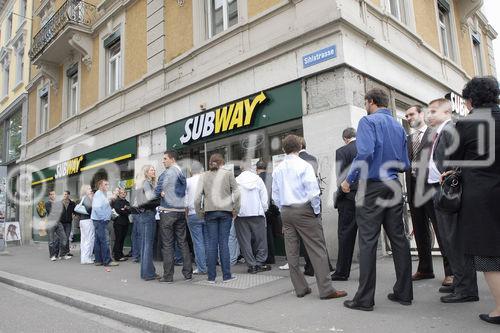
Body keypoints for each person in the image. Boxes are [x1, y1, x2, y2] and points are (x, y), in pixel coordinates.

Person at [341, 88, 412, 311]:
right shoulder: (399, 127)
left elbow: (365, 153)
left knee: (368, 240)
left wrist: (348, 179)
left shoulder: (368, 122)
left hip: (372, 187)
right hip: (393, 184)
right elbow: (405, 164)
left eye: (365, 102)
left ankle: (364, 299)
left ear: (371, 102)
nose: (365, 106)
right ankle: (404, 292)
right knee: (399, 240)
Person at [449, 76, 500, 324]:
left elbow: (453, 159)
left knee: (489, 255)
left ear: (469, 101)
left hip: (481, 197)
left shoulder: (466, 125)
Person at [273, 134, 347, 300]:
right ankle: (326, 289)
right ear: (300, 147)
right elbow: (313, 192)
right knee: (317, 248)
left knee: (291, 252)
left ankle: (301, 288)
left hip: (285, 211)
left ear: (284, 149)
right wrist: (315, 211)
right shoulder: (304, 165)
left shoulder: (278, 169)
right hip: (304, 210)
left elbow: (275, 195)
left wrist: (282, 209)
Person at [427, 98, 478, 303]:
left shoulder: (451, 130)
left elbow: (458, 160)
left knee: (454, 240)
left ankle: (466, 289)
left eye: (432, 111)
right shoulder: (441, 132)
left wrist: (451, 177)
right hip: (439, 191)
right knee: (448, 241)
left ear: (446, 112)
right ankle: (460, 283)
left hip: (448, 191)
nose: (428, 115)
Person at [405, 105, 452, 286]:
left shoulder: (435, 134)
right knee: (420, 231)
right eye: (407, 115)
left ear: (421, 114)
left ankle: (450, 272)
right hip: (414, 189)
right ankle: (425, 269)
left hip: (432, 187)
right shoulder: (409, 138)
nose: (408, 117)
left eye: (412, 114)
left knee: (440, 229)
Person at [195, 153, 240, 283]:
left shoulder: (203, 176)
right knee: (224, 243)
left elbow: (197, 198)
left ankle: (211, 277)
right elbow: (237, 193)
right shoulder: (228, 174)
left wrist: (200, 213)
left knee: (211, 244)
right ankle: (226, 276)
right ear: (222, 163)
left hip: (210, 212)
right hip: (226, 212)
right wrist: (236, 210)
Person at [155, 151, 192, 283]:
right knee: (183, 242)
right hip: (181, 211)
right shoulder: (182, 173)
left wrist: (162, 193)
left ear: (172, 159)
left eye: (165, 159)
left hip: (168, 211)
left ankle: (168, 276)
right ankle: (188, 273)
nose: (163, 161)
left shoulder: (166, 173)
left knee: (168, 244)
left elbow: (157, 191)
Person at [235, 159, 271, 274]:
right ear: (251, 167)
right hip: (257, 212)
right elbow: (264, 197)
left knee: (244, 241)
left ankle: (252, 265)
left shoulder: (236, 180)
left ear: (241, 168)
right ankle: (260, 262)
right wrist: (263, 210)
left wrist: (235, 211)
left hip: (241, 214)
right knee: (261, 239)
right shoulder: (258, 179)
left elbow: (233, 198)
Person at [332, 127, 358, 281]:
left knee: (345, 235)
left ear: (345, 138)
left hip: (349, 198)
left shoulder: (342, 151)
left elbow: (340, 177)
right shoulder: (366, 148)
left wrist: (339, 196)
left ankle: (342, 272)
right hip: (368, 196)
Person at [135, 165, 159, 280]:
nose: (154, 171)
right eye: (151, 170)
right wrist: (160, 198)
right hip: (148, 215)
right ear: (146, 172)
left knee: (145, 244)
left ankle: (146, 272)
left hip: (143, 215)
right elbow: (150, 199)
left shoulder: (141, 183)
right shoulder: (147, 183)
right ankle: (148, 273)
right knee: (148, 244)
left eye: (154, 169)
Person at [185, 163, 209, 275]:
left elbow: (184, 200)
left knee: (198, 242)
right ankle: (210, 265)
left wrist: (186, 214)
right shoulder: (206, 180)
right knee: (208, 241)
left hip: (193, 213)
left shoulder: (188, 181)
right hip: (207, 213)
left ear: (190, 170)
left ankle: (202, 268)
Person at [256, 160, 280, 265]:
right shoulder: (272, 177)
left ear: (257, 169)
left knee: (263, 235)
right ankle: (272, 256)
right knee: (270, 233)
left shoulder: (257, 179)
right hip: (272, 209)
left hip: (262, 209)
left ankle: (266, 257)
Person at [91, 179, 118, 267]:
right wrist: (104, 218)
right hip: (100, 221)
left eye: (108, 184)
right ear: (100, 186)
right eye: (105, 184)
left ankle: (98, 260)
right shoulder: (99, 194)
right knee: (105, 241)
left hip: (99, 220)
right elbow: (97, 208)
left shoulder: (102, 194)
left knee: (98, 241)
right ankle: (107, 261)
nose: (107, 186)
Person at [46, 191, 70, 261]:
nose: (53, 196)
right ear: (49, 196)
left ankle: (62, 255)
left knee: (64, 238)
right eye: (51, 194)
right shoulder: (48, 203)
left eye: (54, 194)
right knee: (51, 241)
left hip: (58, 222)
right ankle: (52, 256)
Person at [112, 188, 131, 261]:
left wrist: (125, 209)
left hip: (125, 223)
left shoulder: (127, 202)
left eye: (124, 193)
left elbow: (130, 211)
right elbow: (119, 211)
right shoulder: (117, 201)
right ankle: (117, 256)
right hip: (118, 223)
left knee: (122, 239)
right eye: (121, 193)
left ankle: (120, 254)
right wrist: (125, 209)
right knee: (118, 239)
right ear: (119, 194)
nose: (123, 194)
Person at [77, 185, 94, 264]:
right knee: (89, 240)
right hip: (88, 220)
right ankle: (87, 258)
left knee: (84, 240)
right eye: (89, 188)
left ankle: (83, 258)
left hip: (83, 220)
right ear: (85, 190)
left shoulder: (83, 198)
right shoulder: (87, 198)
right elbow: (89, 210)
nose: (91, 190)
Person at [59, 191, 76, 258]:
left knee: (67, 236)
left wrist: (74, 215)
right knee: (63, 237)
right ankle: (62, 253)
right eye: (64, 194)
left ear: (68, 195)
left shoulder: (72, 203)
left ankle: (67, 252)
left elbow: (75, 211)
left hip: (68, 223)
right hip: (61, 222)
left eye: (66, 194)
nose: (65, 195)